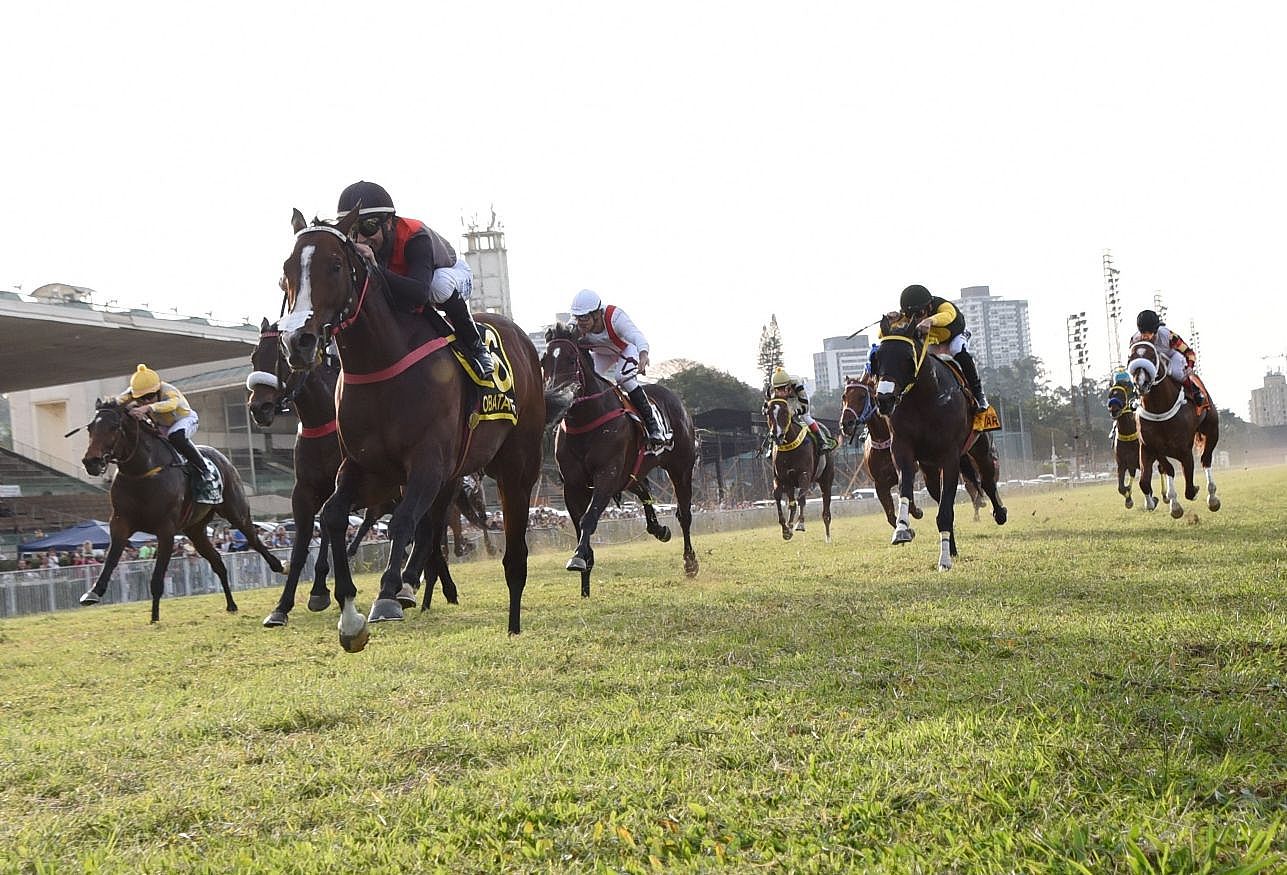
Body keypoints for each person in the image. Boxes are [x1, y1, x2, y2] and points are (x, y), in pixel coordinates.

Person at [336, 180, 493, 382]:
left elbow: (419, 294)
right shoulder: (358, 246)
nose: (361, 239)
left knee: (438, 285)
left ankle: (476, 346)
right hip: (407, 283)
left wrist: (375, 268)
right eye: (352, 230)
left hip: (448, 275)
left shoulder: (415, 237)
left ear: (389, 222)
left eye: (369, 226)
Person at [568, 288, 665, 448]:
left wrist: (643, 355)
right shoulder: (574, 325)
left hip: (625, 350)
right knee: (587, 382)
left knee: (621, 377)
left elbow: (636, 336)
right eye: (578, 317)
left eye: (585, 317)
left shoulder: (615, 317)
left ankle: (652, 424)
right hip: (600, 354)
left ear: (597, 313)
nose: (581, 322)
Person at [888, 284, 989, 413]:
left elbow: (948, 315)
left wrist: (930, 320)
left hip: (955, 336)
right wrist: (890, 321)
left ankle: (979, 395)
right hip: (933, 343)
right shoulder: (904, 317)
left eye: (920, 313)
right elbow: (883, 335)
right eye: (910, 315)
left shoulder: (943, 306)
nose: (916, 319)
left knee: (957, 349)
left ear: (929, 306)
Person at [115, 364, 217, 487]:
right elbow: (118, 401)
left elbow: (171, 405)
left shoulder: (168, 390)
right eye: (142, 398)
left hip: (184, 420)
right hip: (161, 425)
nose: (146, 400)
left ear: (158, 390)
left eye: (150, 396)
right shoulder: (132, 392)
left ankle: (204, 468)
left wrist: (147, 408)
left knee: (176, 437)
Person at [1131, 309, 1206, 406]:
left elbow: (1189, 352)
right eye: (1142, 332)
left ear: (1155, 330)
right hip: (1151, 360)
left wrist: (1190, 367)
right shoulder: (1135, 340)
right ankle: (1135, 397)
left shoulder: (1169, 336)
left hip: (1171, 357)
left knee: (1175, 372)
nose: (1145, 336)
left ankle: (1195, 393)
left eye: (1148, 332)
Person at [767, 367, 836, 453]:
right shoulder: (771, 391)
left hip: (799, 396)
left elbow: (805, 407)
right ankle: (771, 444)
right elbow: (769, 406)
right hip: (788, 398)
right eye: (778, 390)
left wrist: (794, 412)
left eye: (783, 389)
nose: (780, 393)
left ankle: (822, 441)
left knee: (805, 417)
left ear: (788, 387)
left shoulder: (798, 386)